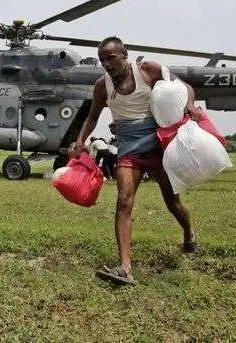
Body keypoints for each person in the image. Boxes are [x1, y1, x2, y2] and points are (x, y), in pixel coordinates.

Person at [70, 36, 201, 286]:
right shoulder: (102, 86)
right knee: (123, 201)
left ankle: (188, 235)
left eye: (111, 57)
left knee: (172, 202)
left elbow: (184, 88)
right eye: (102, 60)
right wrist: (80, 140)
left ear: (124, 54)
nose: (107, 64)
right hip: (128, 147)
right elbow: (91, 117)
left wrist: (191, 105)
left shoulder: (147, 71)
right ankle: (125, 268)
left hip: (157, 143)